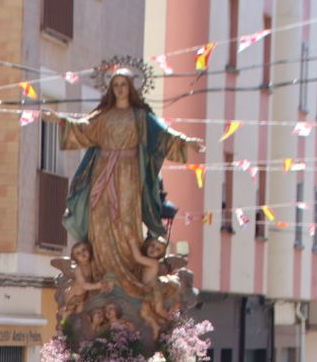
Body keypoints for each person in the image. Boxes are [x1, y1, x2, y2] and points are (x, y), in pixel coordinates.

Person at [45, 70, 203, 310]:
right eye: (116, 84)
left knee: (126, 221)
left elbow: (163, 134)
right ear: (111, 89)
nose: (119, 88)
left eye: (123, 84)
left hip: (128, 174)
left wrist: (186, 141)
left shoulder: (140, 117)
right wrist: (60, 121)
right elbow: (83, 129)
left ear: (130, 88)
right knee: (100, 222)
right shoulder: (104, 116)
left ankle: (127, 275)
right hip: (103, 173)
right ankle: (102, 273)